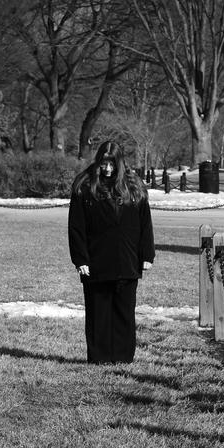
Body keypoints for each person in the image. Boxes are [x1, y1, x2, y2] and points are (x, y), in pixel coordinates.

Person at [68, 141, 155, 364]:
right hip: (96, 260)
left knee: (124, 312)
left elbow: (145, 222)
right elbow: (76, 227)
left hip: (127, 260)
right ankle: (100, 357)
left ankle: (123, 357)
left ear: (119, 163)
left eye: (111, 164)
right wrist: (80, 259)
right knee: (99, 312)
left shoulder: (134, 186)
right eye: (103, 163)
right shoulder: (85, 186)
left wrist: (147, 254)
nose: (107, 168)